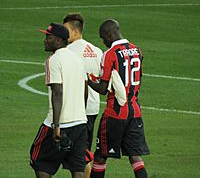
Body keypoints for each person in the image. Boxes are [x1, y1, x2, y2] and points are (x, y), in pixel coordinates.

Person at [87, 19, 150, 178]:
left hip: (115, 113)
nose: (103, 42)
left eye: (103, 38)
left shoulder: (110, 54)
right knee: (135, 157)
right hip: (134, 111)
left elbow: (102, 88)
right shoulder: (137, 51)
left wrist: (87, 80)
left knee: (101, 156)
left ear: (109, 34)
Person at [30, 23, 88, 178]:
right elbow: (85, 89)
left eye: (48, 37)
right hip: (80, 123)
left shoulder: (53, 60)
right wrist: (81, 114)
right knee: (77, 168)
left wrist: (56, 126)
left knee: (39, 163)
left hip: (58, 124)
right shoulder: (78, 59)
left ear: (58, 40)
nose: (45, 40)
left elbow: (57, 92)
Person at [63, 13, 103, 178]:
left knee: (77, 154)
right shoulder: (97, 51)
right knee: (84, 151)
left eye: (65, 30)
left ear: (74, 31)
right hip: (92, 108)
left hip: (75, 110)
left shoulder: (66, 51)